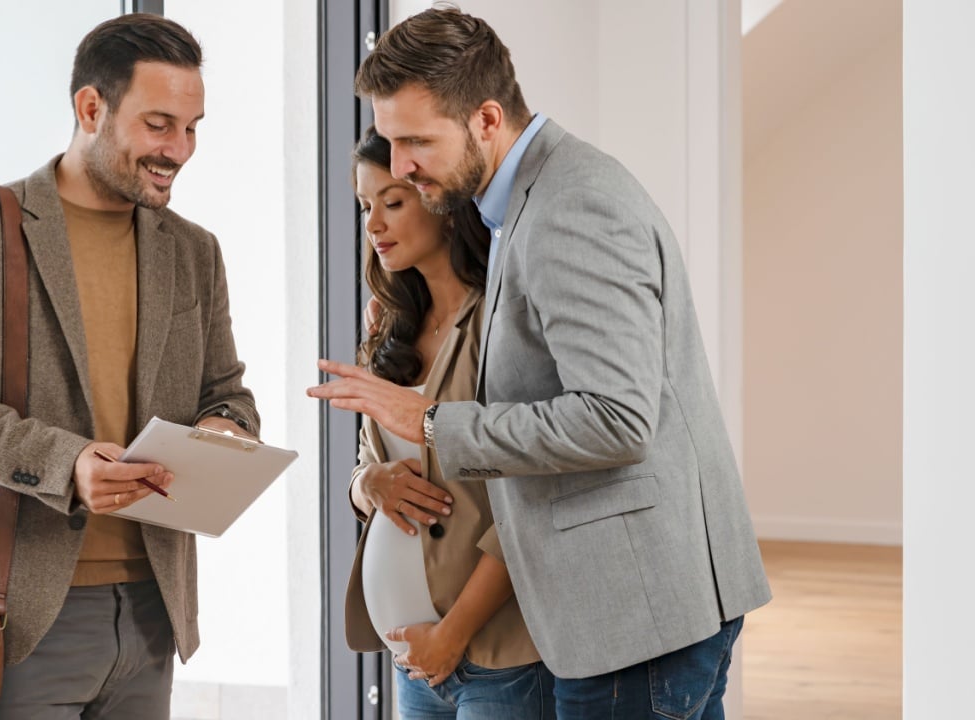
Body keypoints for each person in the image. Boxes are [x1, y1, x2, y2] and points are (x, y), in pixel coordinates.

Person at [309, 7, 771, 719]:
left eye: (415, 142)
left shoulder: (570, 204)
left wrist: (431, 421)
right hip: (622, 613)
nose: (399, 164)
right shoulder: (525, 204)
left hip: (630, 615)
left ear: (486, 120)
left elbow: (617, 421)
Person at [0, 14, 258, 719]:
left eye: (191, 127)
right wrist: (67, 464)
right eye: (158, 125)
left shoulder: (193, 251)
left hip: (152, 610)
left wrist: (226, 434)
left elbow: (227, 390)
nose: (179, 149)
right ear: (91, 108)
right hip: (11, 614)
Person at [345, 126, 547, 718]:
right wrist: (368, 485)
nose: (373, 225)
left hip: (496, 656)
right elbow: (367, 461)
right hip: (412, 657)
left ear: (442, 204)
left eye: (393, 202)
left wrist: (453, 633)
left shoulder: (497, 319)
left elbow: (528, 498)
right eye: (364, 206)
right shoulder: (386, 323)